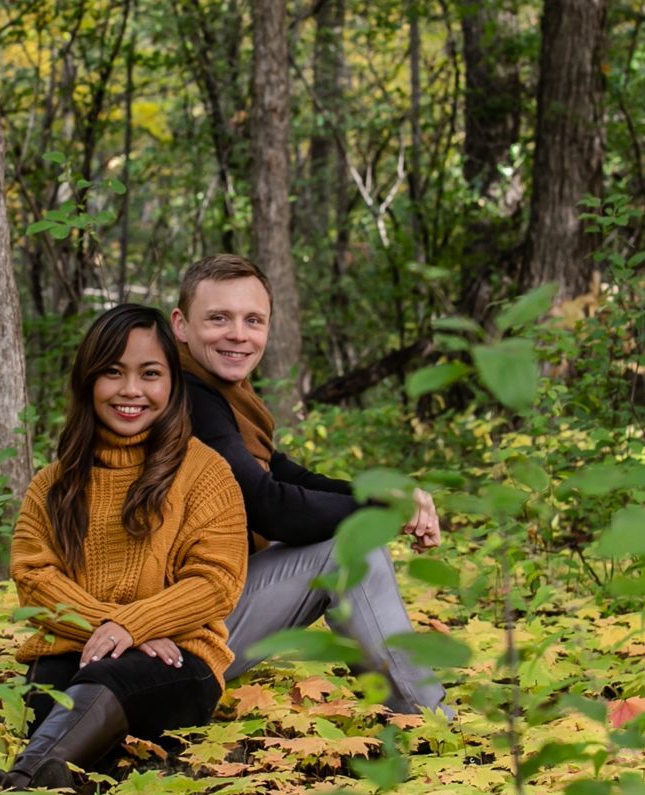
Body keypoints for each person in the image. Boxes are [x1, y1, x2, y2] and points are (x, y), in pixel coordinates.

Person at [171, 254, 452, 716]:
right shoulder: (187, 396)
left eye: (253, 320)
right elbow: (269, 507)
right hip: (176, 636)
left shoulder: (222, 395)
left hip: (202, 613)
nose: (238, 334)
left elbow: (288, 475)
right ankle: (426, 719)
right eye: (218, 318)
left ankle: (412, 707)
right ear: (181, 325)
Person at [0, 304, 249, 791]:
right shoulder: (54, 484)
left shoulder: (206, 471)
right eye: (113, 372)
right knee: (58, 700)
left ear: (172, 384)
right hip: (73, 650)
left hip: (177, 660)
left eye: (150, 373)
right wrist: (112, 628)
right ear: (88, 381)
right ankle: (70, 785)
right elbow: (33, 578)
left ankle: (20, 785)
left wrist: (133, 626)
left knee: (107, 685)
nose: (131, 390)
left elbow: (217, 582)